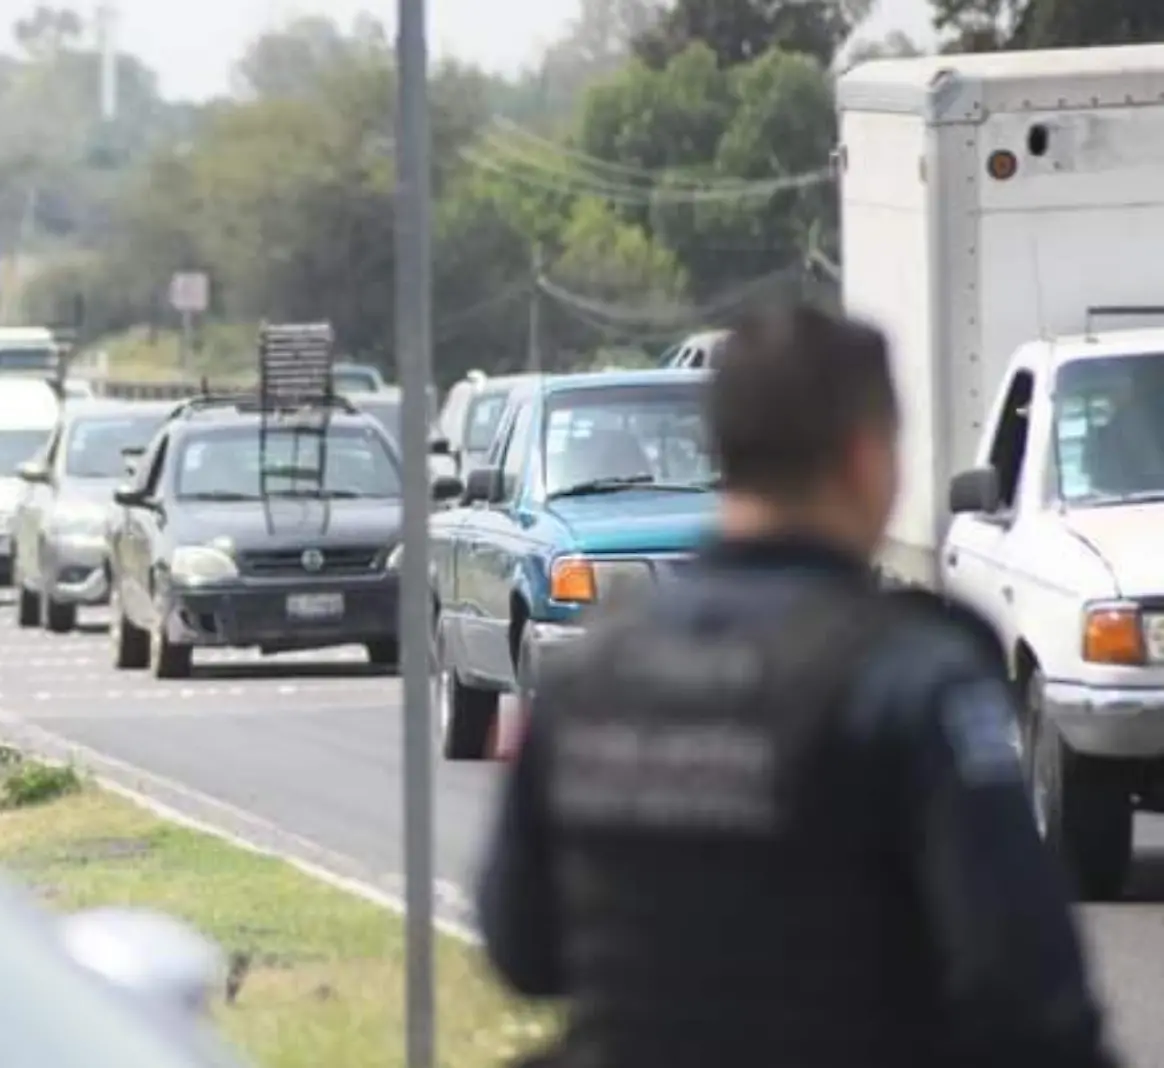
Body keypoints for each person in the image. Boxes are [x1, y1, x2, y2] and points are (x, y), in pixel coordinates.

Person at [477, 304, 1117, 1068]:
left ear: (722, 452)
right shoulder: (913, 678)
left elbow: (522, 949)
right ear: (864, 458)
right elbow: (1031, 998)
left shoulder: (592, 674)